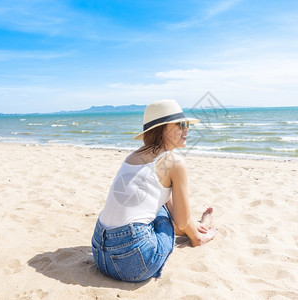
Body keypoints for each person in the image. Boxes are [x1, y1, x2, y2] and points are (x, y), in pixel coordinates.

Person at [91, 99, 217, 282]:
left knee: (156, 202)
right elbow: (181, 222)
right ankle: (198, 235)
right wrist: (188, 225)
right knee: (166, 214)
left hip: (99, 254)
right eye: (181, 124)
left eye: (187, 124)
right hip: (134, 261)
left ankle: (197, 226)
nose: (186, 129)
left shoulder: (132, 157)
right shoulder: (174, 162)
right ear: (163, 129)